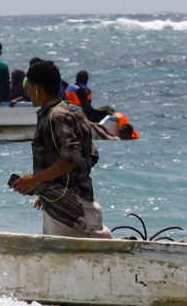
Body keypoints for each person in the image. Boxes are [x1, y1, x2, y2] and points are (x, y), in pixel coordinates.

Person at [11, 60, 112, 238]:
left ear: (37, 88)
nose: (27, 91)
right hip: (75, 202)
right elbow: (90, 156)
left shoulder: (54, 118)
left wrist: (34, 180)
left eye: (29, 86)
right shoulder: (75, 112)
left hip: (68, 212)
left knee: (64, 258)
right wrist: (47, 188)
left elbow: (70, 158)